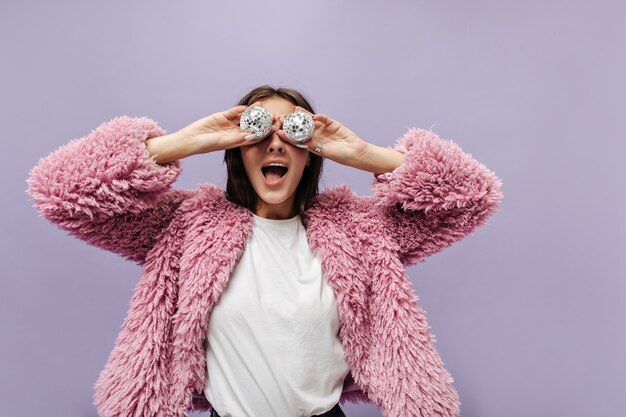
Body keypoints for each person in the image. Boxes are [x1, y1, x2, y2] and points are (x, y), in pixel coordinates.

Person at [26, 85, 503, 417]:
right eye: (259, 130)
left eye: (292, 131)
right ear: (238, 149)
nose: (275, 141)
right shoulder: (186, 227)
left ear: (310, 152)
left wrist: (363, 155)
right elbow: (61, 192)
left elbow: (471, 198)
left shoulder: (359, 232)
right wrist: (184, 143)